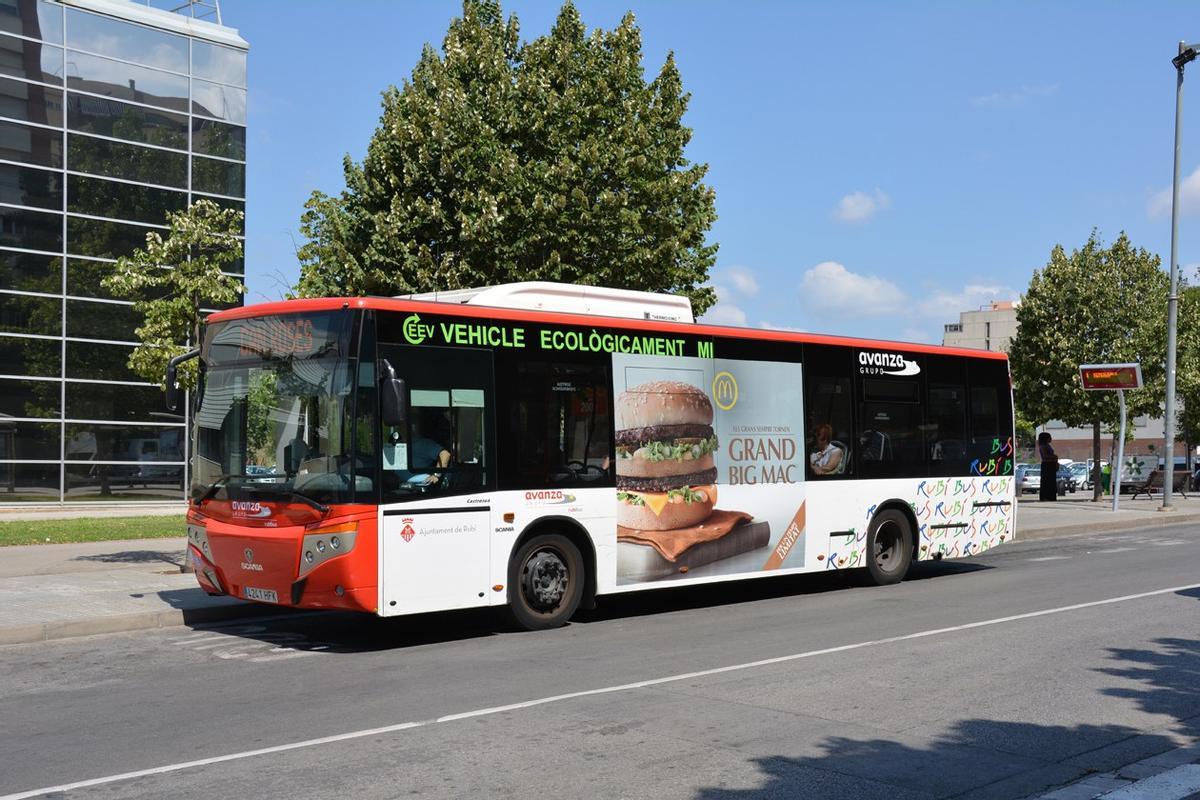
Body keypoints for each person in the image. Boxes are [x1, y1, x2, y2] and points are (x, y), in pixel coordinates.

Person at [1038, 431, 1058, 501]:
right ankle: (1046, 496)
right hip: (1047, 465)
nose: (1051, 438)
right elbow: (1045, 456)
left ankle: (1051, 496)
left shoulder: (1047, 445)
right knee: (1047, 481)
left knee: (1051, 482)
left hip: (1051, 464)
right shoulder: (1043, 446)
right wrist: (1054, 457)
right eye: (1049, 437)